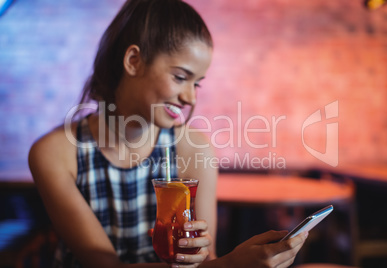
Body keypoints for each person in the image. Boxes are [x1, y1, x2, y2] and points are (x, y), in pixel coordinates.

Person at [28, 0, 308, 267]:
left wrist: (205, 257)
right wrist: (230, 265)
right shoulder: (55, 154)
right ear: (134, 61)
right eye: (180, 77)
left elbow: (205, 261)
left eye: (197, 84)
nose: (190, 98)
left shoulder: (194, 149)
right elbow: (103, 265)